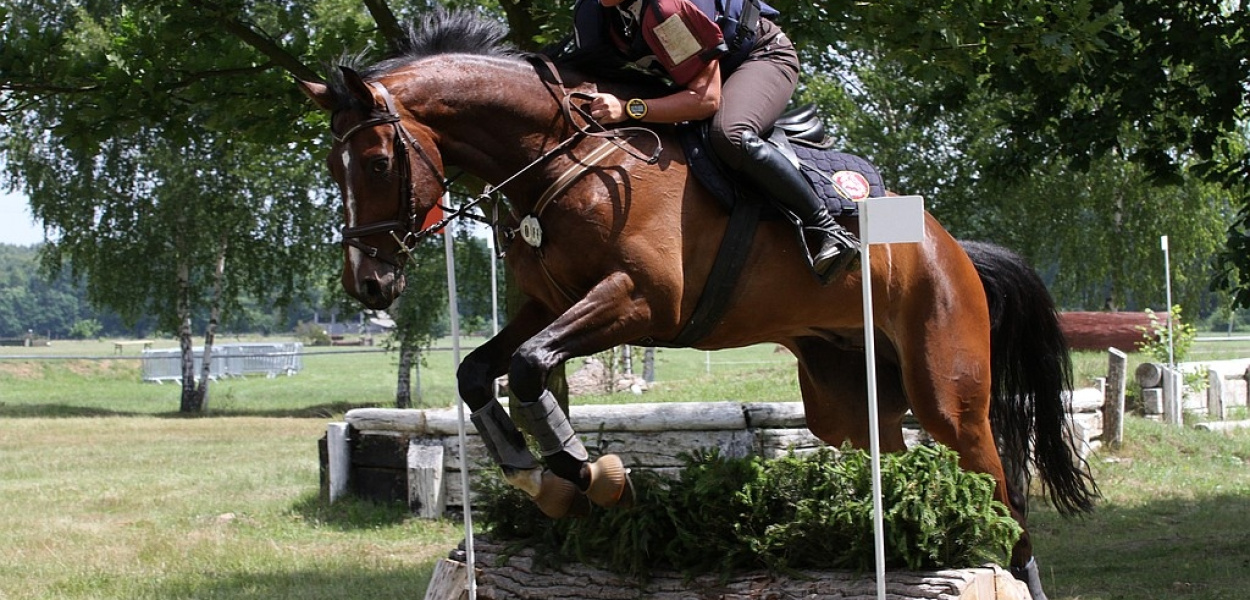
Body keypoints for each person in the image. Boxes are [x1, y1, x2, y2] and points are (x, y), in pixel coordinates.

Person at [572, 0, 859, 279]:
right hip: (694, 79)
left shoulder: (667, 9)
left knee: (729, 134)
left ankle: (826, 228)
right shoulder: (592, 14)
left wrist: (630, 108)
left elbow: (705, 100)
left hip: (758, 57)